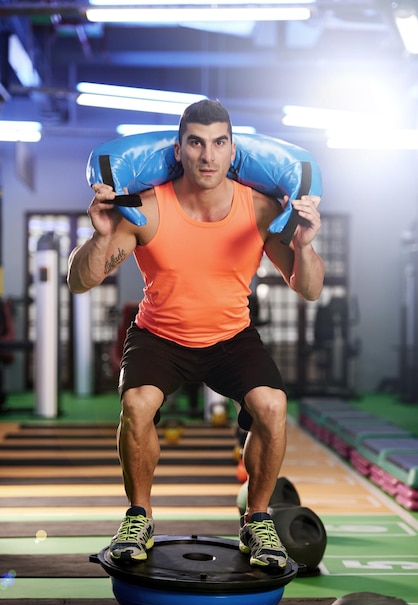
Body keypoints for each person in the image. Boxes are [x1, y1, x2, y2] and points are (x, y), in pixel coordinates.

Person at [67, 99, 324, 569]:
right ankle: (139, 515)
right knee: (136, 403)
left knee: (272, 405)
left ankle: (258, 519)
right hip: (159, 335)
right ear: (180, 150)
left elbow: (308, 289)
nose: (208, 155)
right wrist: (102, 234)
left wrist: (304, 246)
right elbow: (80, 281)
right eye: (196, 143)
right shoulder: (148, 208)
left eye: (219, 143)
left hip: (231, 337)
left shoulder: (263, 209)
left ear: (233, 151)